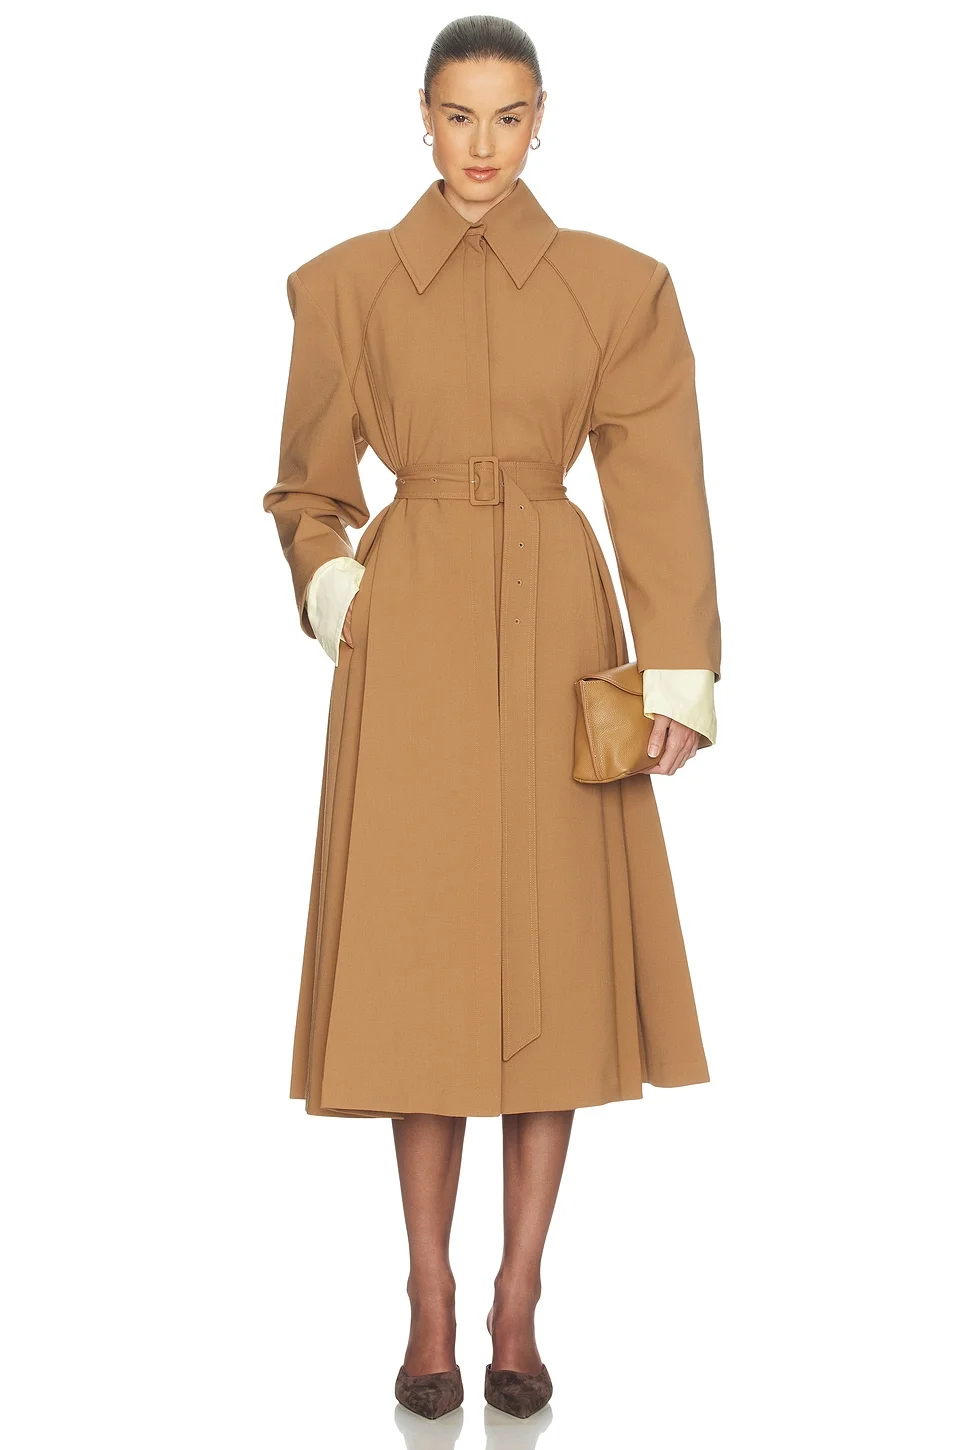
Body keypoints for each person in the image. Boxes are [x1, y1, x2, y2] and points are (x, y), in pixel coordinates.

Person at [262, 14, 722, 1423]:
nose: (482, 144)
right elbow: (307, 485)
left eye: (508, 116)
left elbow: (656, 478)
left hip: (560, 620)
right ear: (420, 114)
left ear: (541, 120)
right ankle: (427, 1290)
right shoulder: (344, 285)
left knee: (550, 971)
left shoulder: (618, 287)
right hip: (410, 634)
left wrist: (677, 668)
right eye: (458, 115)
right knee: (422, 970)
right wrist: (338, 588)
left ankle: (518, 1295)